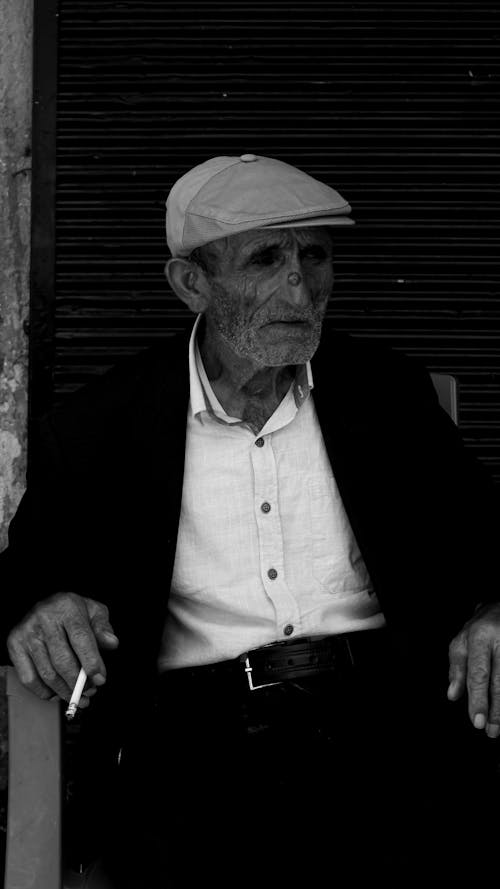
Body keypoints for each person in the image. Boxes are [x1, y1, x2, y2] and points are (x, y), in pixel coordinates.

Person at [2, 154, 500, 887]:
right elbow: (21, 576)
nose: (301, 285)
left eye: (315, 255)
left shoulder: (385, 393)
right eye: (266, 258)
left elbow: (484, 531)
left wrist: (493, 609)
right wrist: (40, 607)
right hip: (196, 744)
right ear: (191, 283)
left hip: (384, 718)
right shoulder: (97, 427)